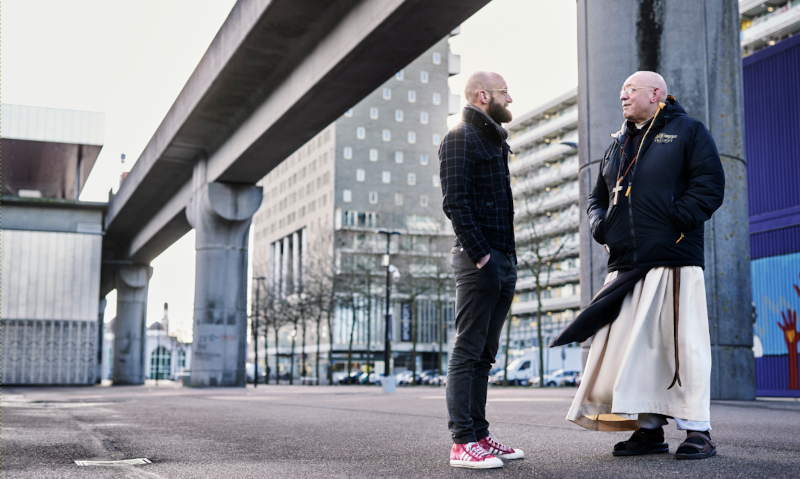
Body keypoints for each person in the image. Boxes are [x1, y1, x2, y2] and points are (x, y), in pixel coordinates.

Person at [556, 71, 725, 459]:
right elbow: (596, 197)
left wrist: (675, 220)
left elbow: (710, 183)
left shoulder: (688, 131)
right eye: (621, 91)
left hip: (673, 259)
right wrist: (602, 227)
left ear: (656, 93)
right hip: (628, 264)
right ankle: (649, 431)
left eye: (631, 90)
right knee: (639, 352)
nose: (623, 96)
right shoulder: (617, 143)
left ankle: (699, 431)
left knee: (682, 347)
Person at [438, 71, 524, 469]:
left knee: (485, 356)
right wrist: (482, 256)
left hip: (502, 259)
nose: (511, 98)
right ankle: (462, 443)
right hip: (480, 261)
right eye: (505, 92)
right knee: (468, 350)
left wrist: (505, 259)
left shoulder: (492, 140)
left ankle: (481, 436)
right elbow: (455, 202)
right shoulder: (460, 136)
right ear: (484, 95)